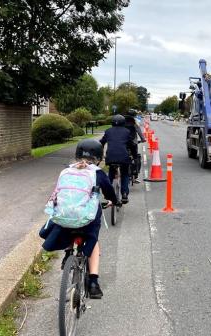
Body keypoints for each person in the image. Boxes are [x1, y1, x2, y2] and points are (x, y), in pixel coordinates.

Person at [39, 139, 117, 299]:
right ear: (99, 158)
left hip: (62, 218)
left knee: (67, 225)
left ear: (76, 155)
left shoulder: (66, 170)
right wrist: (112, 200)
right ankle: (94, 283)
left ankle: (68, 253)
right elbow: (109, 192)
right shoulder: (97, 173)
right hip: (87, 220)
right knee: (93, 241)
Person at [100, 114, 133, 203]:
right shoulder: (127, 131)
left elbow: (101, 142)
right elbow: (131, 145)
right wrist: (133, 155)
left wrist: (101, 154)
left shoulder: (108, 131)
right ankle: (125, 194)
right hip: (124, 157)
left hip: (110, 157)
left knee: (110, 173)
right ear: (123, 123)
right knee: (125, 174)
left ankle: (107, 193)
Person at [125, 110, 146, 183]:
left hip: (123, 143)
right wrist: (143, 139)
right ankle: (135, 172)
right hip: (133, 143)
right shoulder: (134, 123)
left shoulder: (122, 122)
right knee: (135, 157)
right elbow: (139, 132)